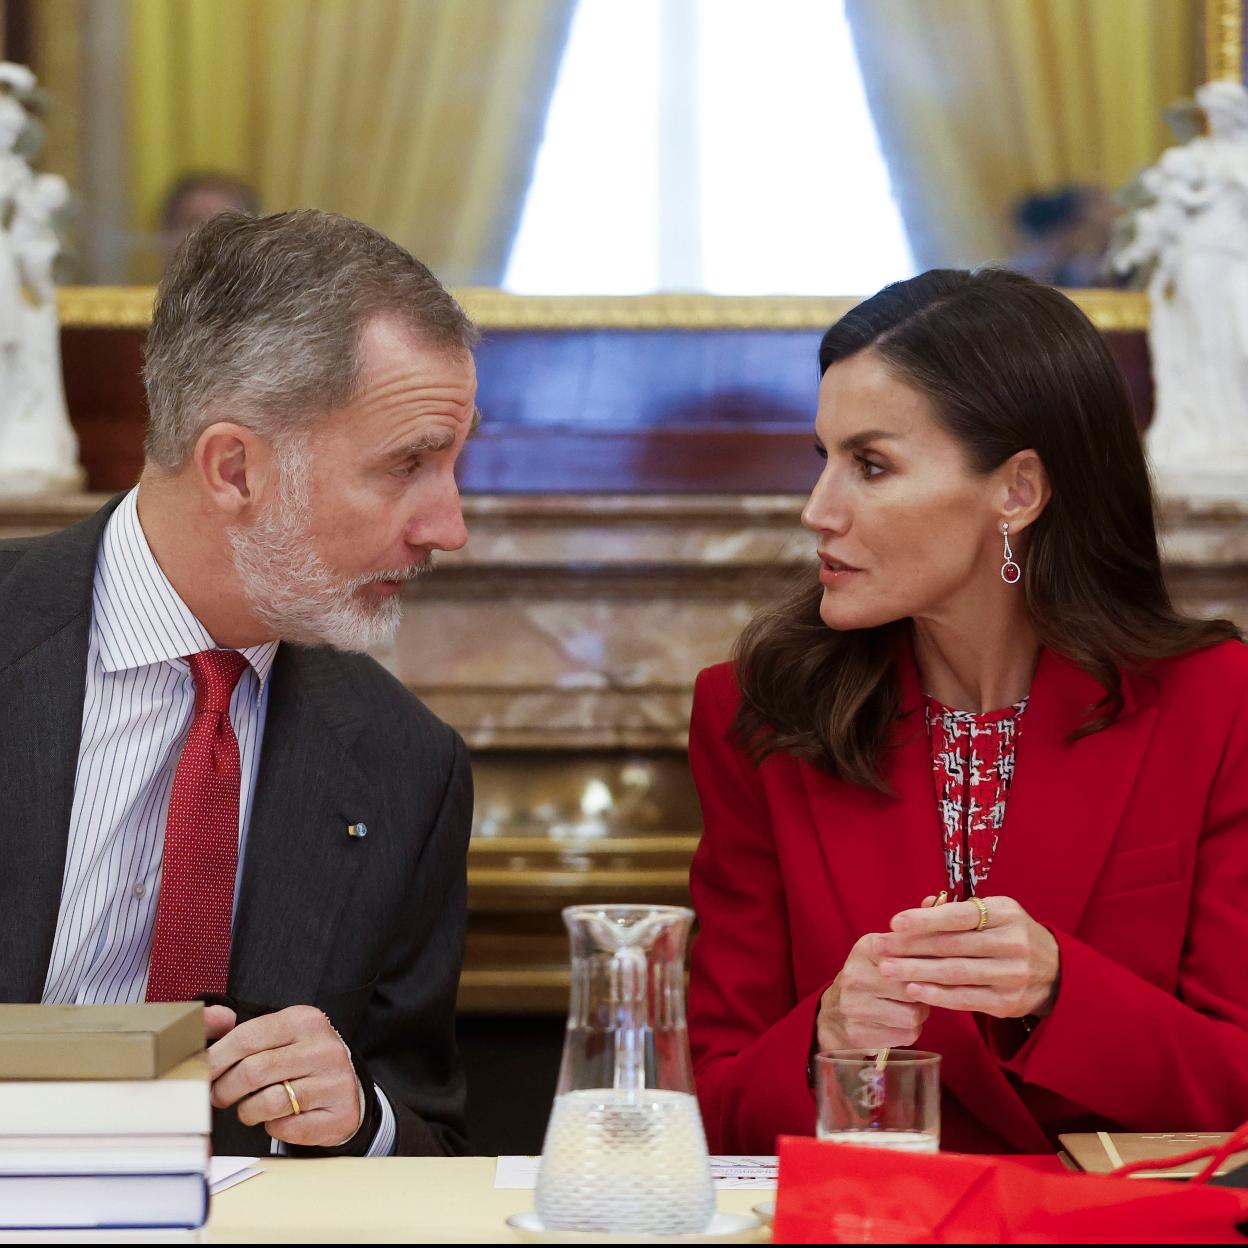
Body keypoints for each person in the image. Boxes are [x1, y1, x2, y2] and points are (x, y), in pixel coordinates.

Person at [686, 268, 1248, 1154]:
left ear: (1017, 491)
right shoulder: (758, 714)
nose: (817, 510)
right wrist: (824, 1037)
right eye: (822, 459)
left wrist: (1066, 991)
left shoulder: (1216, 703)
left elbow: (1238, 1077)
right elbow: (709, 1105)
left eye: (870, 465)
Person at [0, 209, 479, 1157]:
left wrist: (360, 1117)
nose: (448, 526)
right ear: (234, 468)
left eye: (455, 464)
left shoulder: (406, 766)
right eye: (407, 466)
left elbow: (434, 1139)